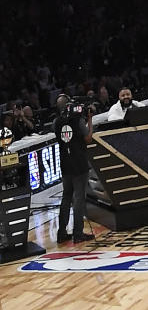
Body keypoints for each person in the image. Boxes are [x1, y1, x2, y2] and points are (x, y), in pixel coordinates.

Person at [53, 94, 94, 243]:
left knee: (66, 197)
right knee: (79, 199)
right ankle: (78, 233)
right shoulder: (78, 120)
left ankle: (61, 233)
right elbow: (88, 138)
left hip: (65, 163)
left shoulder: (56, 122)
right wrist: (89, 120)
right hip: (79, 162)